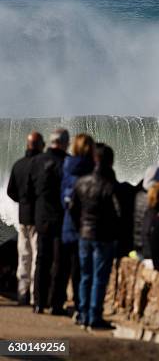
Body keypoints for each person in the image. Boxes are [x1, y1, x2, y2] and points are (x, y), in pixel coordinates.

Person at [70, 143, 120, 330]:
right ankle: (94, 316)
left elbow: (73, 209)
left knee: (85, 275)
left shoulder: (81, 182)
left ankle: (83, 315)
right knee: (99, 277)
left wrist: (80, 227)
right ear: (109, 162)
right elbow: (118, 213)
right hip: (103, 237)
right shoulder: (109, 185)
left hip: (84, 234)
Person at [29, 128, 69, 314]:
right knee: (59, 262)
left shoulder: (36, 161)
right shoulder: (65, 162)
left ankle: (38, 303)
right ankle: (56, 304)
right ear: (62, 143)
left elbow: (28, 190)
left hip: (41, 217)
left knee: (41, 260)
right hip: (60, 218)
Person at [59, 133, 95, 318]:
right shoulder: (90, 169)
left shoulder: (67, 167)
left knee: (64, 267)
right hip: (84, 226)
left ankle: (57, 303)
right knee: (81, 271)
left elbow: (62, 197)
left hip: (67, 224)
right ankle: (81, 309)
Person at [7, 131, 45, 306]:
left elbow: (10, 191)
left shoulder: (18, 165)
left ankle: (22, 293)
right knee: (36, 256)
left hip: (23, 216)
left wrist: (22, 202)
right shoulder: (42, 165)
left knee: (24, 255)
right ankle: (34, 294)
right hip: (37, 217)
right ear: (39, 145)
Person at [132, 166, 159, 258]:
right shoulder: (154, 202)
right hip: (146, 251)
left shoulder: (138, 195)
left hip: (136, 246)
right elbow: (148, 232)